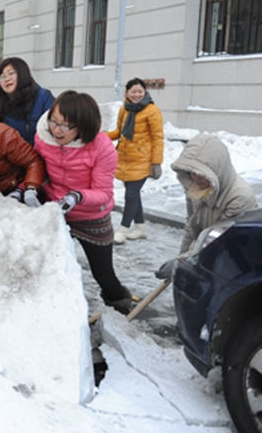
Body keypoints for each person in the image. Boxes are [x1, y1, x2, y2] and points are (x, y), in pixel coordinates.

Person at [33, 91, 133, 314]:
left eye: (65, 126)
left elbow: (103, 192)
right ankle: (54, 312)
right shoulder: (42, 136)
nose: (56, 130)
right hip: (55, 210)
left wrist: (77, 196)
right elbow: (36, 166)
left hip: (91, 215)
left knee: (103, 275)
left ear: (83, 126)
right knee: (50, 267)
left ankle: (120, 306)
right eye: (54, 121)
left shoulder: (101, 146)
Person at [171, 134, 258, 256]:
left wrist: (185, 261)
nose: (197, 178)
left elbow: (219, 241)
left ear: (217, 170)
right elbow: (191, 228)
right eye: (193, 172)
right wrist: (180, 259)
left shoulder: (239, 196)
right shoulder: (196, 188)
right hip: (205, 256)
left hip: (236, 261)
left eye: (203, 173)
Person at [106, 78, 164, 244]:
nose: (137, 95)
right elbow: (119, 131)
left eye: (140, 91)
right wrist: (101, 136)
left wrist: (156, 162)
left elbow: (157, 138)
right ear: (127, 93)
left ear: (145, 92)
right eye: (134, 91)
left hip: (142, 160)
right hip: (125, 159)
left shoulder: (152, 111)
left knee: (131, 194)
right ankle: (140, 228)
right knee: (134, 194)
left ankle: (122, 230)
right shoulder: (125, 109)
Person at [0, 57, 54, 146]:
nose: (6, 79)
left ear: (22, 74)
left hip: (39, 155)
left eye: (11, 73)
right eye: (1, 77)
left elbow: (54, 131)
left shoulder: (43, 97)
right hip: (11, 157)